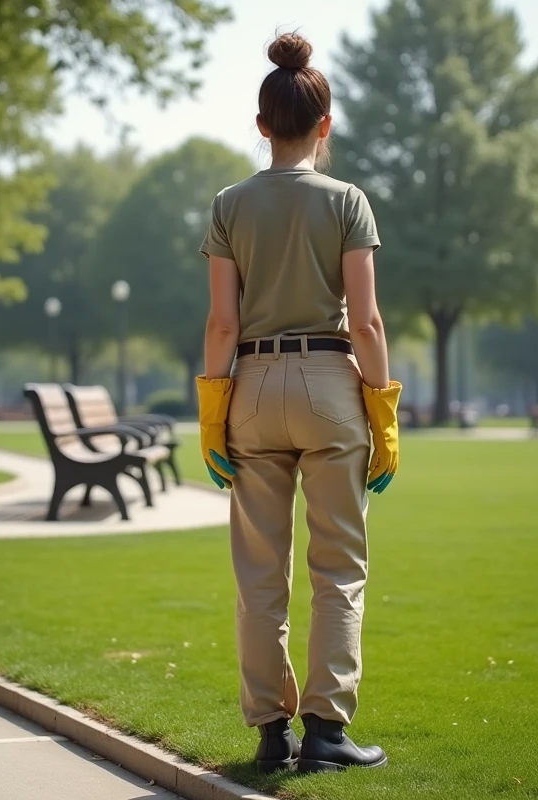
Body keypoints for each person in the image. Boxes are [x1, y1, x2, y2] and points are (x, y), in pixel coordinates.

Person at [195, 32, 402, 775]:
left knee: (259, 577)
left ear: (260, 124)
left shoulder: (229, 204)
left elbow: (222, 321)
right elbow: (368, 320)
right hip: (330, 385)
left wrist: (212, 413)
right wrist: (383, 415)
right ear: (326, 124)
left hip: (250, 385)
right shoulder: (347, 201)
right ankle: (325, 731)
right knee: (338, 569)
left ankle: (269, 732)